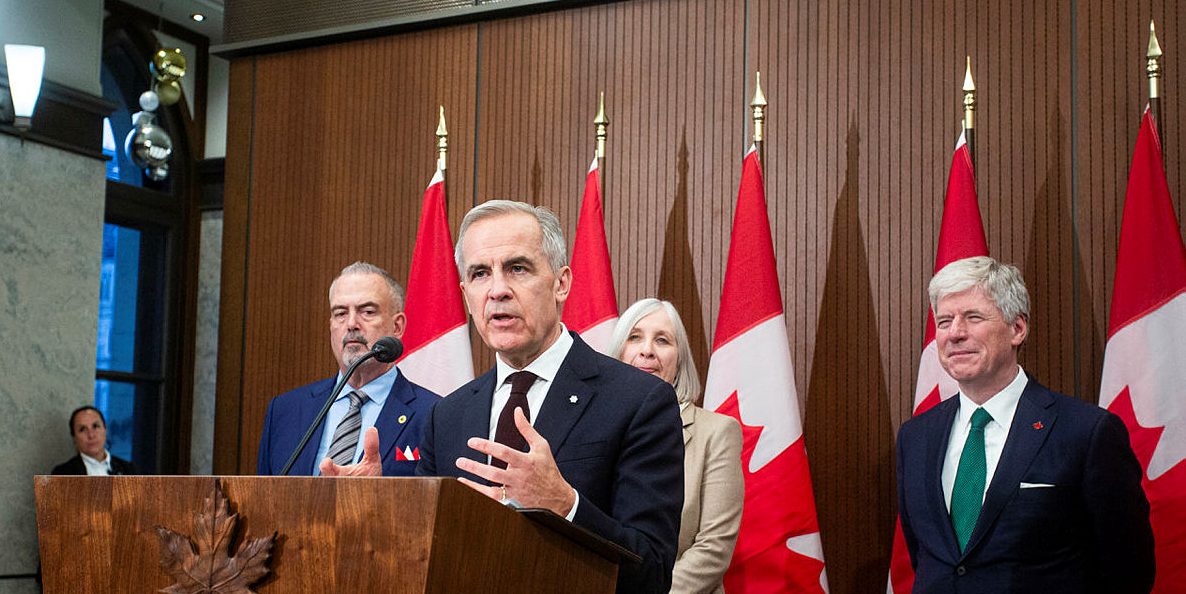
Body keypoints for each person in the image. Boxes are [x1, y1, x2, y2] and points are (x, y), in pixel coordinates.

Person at [324, 201, 685, 593]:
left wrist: (565, 505)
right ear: (466, 294)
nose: (497, 290)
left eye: (517, 268)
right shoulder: (446, 416)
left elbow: (652, 573)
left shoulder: (639, 401)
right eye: (480, 273)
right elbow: (423, 558)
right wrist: (377, 509)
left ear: (561, 283)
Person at [896, 256, 1155, 593]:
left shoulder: (1087, 432)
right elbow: (926, 557)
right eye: (944, 321)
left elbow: (1128, 570)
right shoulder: (915, 436)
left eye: (973, 317)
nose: (955, 333)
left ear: (1017, 329)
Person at [608, 298, 742, 594]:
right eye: (634, 337)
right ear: (617, 353)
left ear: (679, 360)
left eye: (662, 340)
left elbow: (713, 548)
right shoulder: (597, 427)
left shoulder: (717, 432)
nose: (647, 350)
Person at [256, 261, 439, 476]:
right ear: (331, 325)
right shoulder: (285, 410)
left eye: (367, 312)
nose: (351, 324)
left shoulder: (434, 415)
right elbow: (264, 493)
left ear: (397, 326)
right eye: (340, 313)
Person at [52, 405, 136, 475]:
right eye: (82, 429)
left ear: (105, 430)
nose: (91, 435)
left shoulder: (128, 469)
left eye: (95, 426)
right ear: (74, 438)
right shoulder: (62, 473)